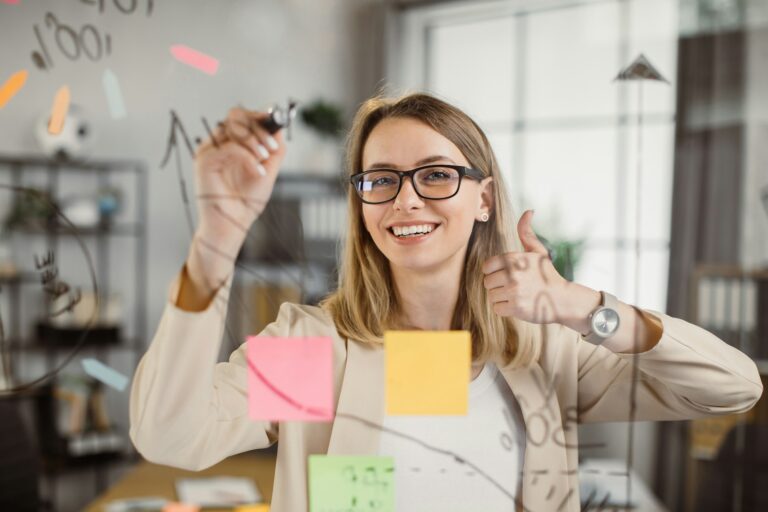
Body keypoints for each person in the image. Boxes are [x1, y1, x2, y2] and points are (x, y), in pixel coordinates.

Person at [130, 93, 763, 512]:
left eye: (435, 174)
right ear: (362, 202)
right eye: (381, 180)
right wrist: (217, 240)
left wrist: (583, 307)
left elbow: (731, 388)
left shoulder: (540, 353)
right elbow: (171, 436)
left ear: (484, 199)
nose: (405, 200)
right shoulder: (321, 353)